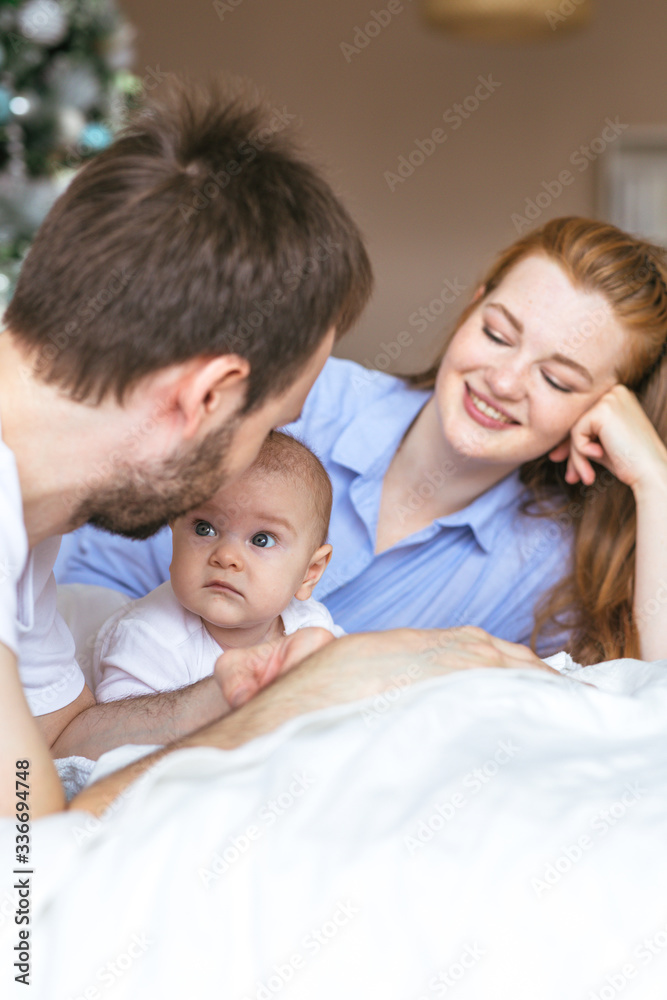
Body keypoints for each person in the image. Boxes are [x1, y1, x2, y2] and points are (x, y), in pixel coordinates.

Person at [0, 77, 374, 817]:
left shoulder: (31, 521)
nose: (262, 453)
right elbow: (27, 865)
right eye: (270, 425)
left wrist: (226, 694)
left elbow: (60, 736)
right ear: (207, 397)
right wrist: (361, 680)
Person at [64, 217, 667, 669]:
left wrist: (655, 480)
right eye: (497, 334)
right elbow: (80, 555)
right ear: (472, 307)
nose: (504, 382)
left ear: (605, 411)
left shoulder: (550, 567)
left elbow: (644, 716)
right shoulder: (306, 400)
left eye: (558, 379)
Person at [92, 432, 343, 703]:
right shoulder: (150, 638)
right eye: (205, 528)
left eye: (262, 540)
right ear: (173, 530)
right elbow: (124, 735)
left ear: (310, 573)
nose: (225, 556)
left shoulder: (311, 628)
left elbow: (351, 690)